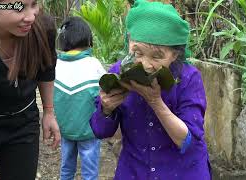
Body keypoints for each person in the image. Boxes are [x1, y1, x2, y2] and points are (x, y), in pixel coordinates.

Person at [90, 0, 211, 179]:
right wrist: (106, 109)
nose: (146, 64)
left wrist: (155, 101)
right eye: (137, 52)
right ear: (129, 41)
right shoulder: (118, 73)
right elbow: (101, 131)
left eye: (157, 56)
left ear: (175, 54)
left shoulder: (188, 79)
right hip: (134, 171)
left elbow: (188, 142)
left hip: (183, 172)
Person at [0, 0, 61, 180]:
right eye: (19, 8)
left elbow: (46, 68)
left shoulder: (41, 28)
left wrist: (48, 111)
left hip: (23, 122)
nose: (31, 16)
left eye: (34, 4)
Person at [54, 17, 105, 180]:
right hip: (89, 131)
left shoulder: (56, 65)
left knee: (66, 169)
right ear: (87, 39)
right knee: (90, 173)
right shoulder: (94, 64)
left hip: (66, 131)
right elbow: (108, 88)